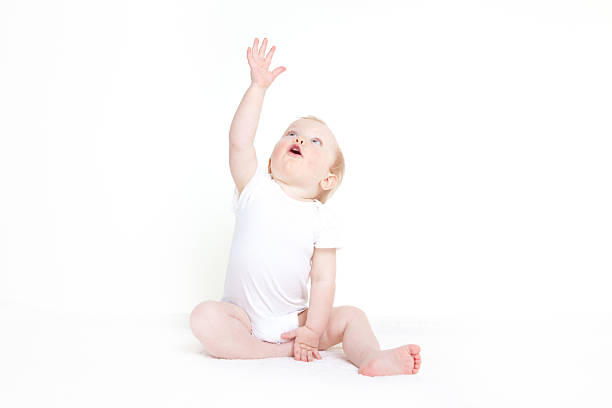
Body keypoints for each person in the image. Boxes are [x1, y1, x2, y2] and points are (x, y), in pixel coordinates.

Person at [190, 37, 421, 376]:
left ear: (327, 180)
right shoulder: (255, 188)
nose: (298, 139)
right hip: (242, 319)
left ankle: (373, 357)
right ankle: (270, 352)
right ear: (270, 160)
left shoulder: (321, 219)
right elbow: (239, 141)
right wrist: (257, 88)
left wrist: (312, 330)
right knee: (203, 318)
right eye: (292, 133)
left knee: (352, 316)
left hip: (294, 321)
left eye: (315, 141)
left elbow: (324, 280)